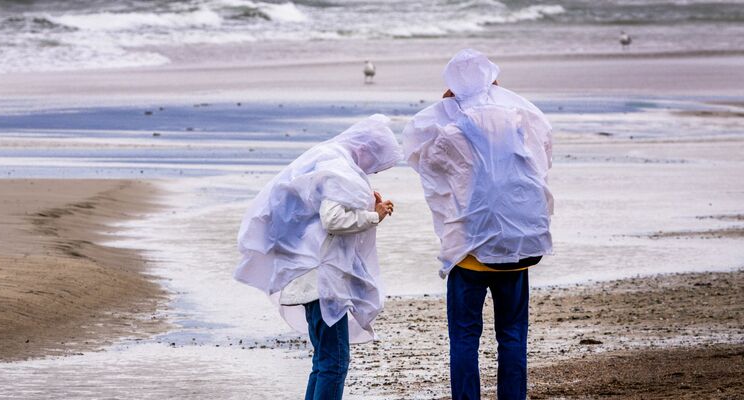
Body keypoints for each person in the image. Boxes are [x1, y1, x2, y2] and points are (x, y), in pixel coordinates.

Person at [403, 49, 554, 400]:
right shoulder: (517, 119)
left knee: (465, 338)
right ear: (492, 80)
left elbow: (425, 159)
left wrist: (447, 107)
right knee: (512, 335)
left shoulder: (453, 129)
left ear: (453, 85)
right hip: (517, 246)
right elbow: (543, 151)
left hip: (470, 249)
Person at [234, 114, 401, 400]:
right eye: (374, 162)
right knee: (335, 363)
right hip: (324, 282)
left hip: (309, 278)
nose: (372, 170)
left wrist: (367, 207)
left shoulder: (327, 161)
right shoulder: (339, 170)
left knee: (323, 361)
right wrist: (374, 215)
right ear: (365, 149)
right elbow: (333, 219)